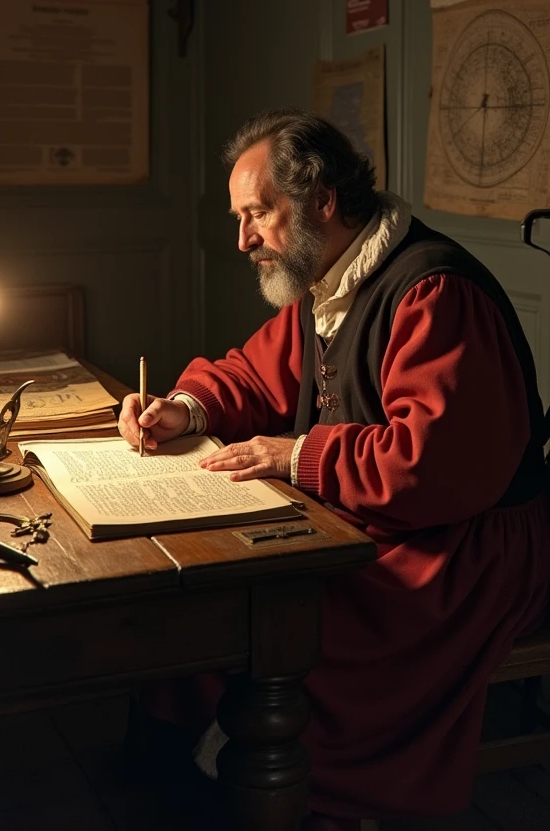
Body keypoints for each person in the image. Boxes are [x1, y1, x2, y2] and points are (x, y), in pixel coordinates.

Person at [119, 107, 550, 828]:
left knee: (301, 622)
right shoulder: (325, 279)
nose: (242, 238)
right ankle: (207, 773)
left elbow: (434, 465)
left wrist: (294, 454)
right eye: (239, 216)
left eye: (258, 213)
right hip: (387, 521)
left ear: (322, 201)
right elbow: (251, 376)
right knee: (224, 593)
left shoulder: (432, 292)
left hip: (463, 547)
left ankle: (307, 796)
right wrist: (184, 408)